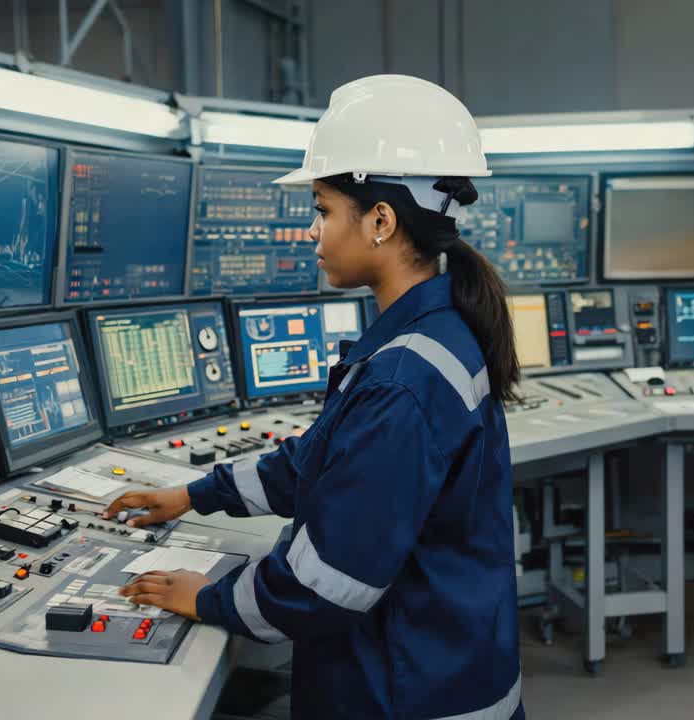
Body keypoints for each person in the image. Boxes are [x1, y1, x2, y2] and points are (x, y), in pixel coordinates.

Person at [105, 74, 524, 719]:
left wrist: (207, 596)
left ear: (380, 220)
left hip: (407, 690)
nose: (313, 231)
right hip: (446, 665)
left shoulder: (403, 382)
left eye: (323, 210)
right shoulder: (432, 334)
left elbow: (326, 586)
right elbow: (320, 462)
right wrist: (193, 495)